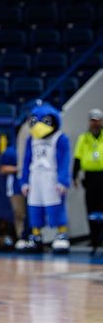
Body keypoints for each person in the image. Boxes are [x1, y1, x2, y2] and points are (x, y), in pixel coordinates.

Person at [20, 104, 72, 253]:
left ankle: (61, 234)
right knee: (34, 205)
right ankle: (36, 235)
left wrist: (63, 180)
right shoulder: (31, 139)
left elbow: (64, 160)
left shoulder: (60, 138)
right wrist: (24, 181)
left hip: (52, 176)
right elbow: (26, 160)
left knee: (55, 205)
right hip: (35, 176)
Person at [73, 108, 103, 254]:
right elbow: (77, 158)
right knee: (90, 208)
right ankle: (94, 237)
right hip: (90, 177)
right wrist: (74, 176)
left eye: (97, 120)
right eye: (93, 120)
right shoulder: (83, 138)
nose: (95, 123)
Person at [0, 142, 27, 249]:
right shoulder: (11, 151)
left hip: (32, 187)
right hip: (15, 188)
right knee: (19, 214)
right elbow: (2, 169)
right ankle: (21, 238)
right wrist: (20, 169)